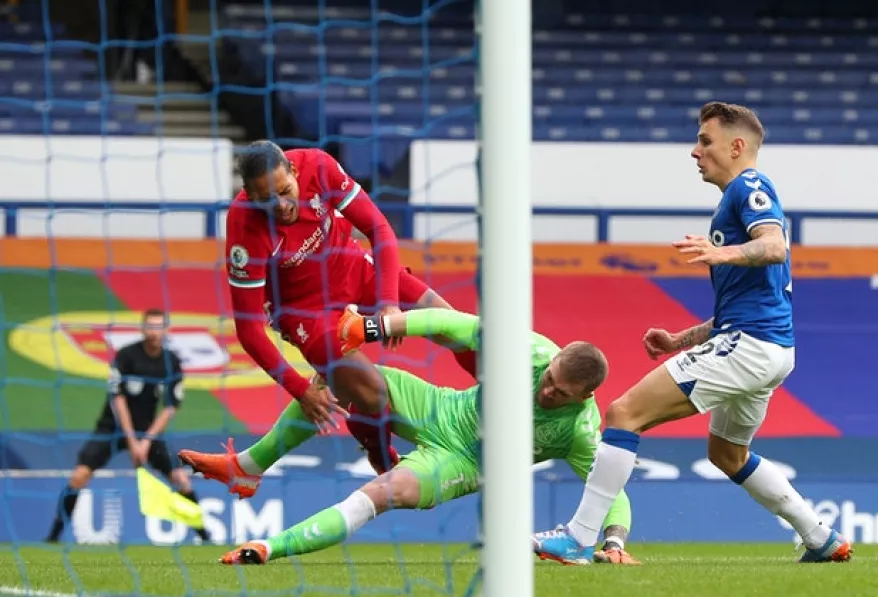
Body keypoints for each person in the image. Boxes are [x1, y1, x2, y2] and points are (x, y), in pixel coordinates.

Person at [532, 101, 853, 565]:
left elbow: (774, 245)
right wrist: (681, 340)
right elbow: (744, 306)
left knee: (623, 413)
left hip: (749, 348)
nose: (695, 151)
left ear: (736, 146)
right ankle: (820, 536)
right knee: (727, 454)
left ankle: (579, 537)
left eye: (705, 140)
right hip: (768, 347)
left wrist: (722, 254)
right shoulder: (734, 200)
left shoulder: (751, 187)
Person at [210, 306, 639, 566]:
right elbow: (453, 324)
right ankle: (247, 467)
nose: (547, 391)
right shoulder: (534, 351)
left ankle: (268, 548)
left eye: (560, 393)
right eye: (549, 379)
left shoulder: (582, 429)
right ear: (554, 360)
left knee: (380, 493)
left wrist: (615, 540)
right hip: (439, 406)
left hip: (464, 462)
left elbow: (609, 489)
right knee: (337, 377)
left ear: (586, 396)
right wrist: (375, 327)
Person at [225, 141, 476, 476]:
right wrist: (301, 390)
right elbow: (248, 329)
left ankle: (500, 405)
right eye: (267, 200)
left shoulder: (319, 166)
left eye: (286, 190)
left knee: (450, 323)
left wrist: (388, 304)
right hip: (305, 313)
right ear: (250, 195)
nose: (282, 205)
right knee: (372, 393)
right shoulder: (244, 228)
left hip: (354, 268)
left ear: (295, 171)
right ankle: (377, 449)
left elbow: (379, 229)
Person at [45, 309, 209, 543]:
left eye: (158, 327)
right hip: (111, 429)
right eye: (150, 327)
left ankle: (206, 537)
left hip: (148, 434)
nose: (154, 332)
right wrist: (133, 441)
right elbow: (118, 399)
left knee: (180, 479)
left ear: (166, 330)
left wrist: (146, 441)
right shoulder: (126, 356)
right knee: (79, 476)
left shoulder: (170, 361)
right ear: (143, 329)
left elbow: (170, 407)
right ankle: (53, 537)